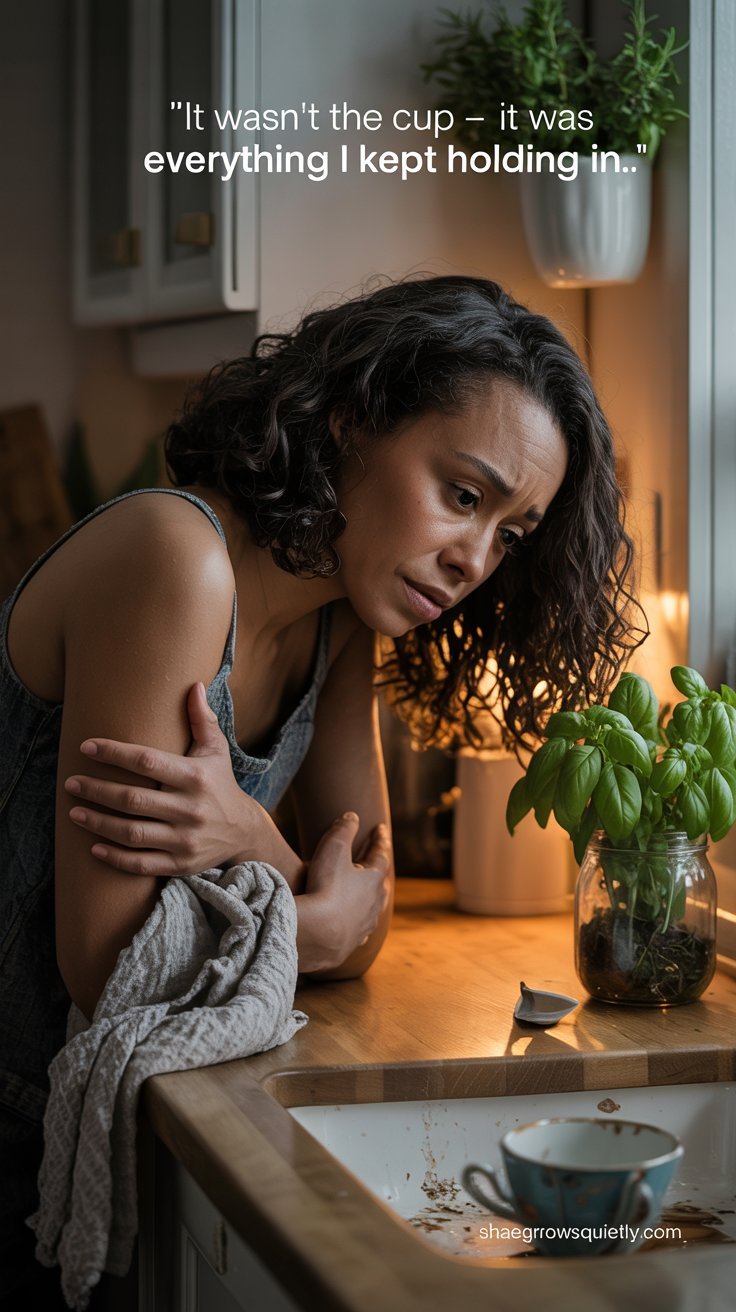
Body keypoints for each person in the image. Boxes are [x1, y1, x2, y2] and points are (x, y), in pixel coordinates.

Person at [0, 275, 641, 1297]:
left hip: (67, 1115)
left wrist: (251, 836)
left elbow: (367, 906)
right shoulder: (176, 557)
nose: (477, 558)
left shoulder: (340, 621)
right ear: (351, 419)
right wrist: (318, 921)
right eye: (463, 494)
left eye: (511, 533)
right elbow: (114, 968)